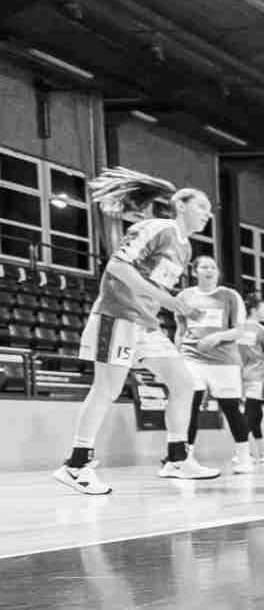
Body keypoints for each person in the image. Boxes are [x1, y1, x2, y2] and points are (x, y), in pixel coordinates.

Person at [54, 169, 214, 495]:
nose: (207, 215)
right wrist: (170, 302)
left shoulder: (185, 248)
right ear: (180, 205)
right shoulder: (156, 228)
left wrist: (171, 307)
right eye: (202, 206)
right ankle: (76, 465)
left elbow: (153, 286)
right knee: (106, 390)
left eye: (209, 210)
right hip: (117, 316)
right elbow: (117, 267)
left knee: (184, 384)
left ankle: (177, 458)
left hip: (145, 324)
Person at [174, 255, 254, 474]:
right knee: (189, 407)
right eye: (204, 267)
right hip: (192, 358)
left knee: (231, 409)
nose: (209, 270)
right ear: (194, 272)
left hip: (224, 362)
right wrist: (177, 355)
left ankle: (244, 457)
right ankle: (185, 458)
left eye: (213, 267)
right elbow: (180, 331)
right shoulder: (184, 296)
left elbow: (239, 330)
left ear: (218, 272)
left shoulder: (230, 296)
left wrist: (218, 337)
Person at [238, 295, 264, 462]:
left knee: (255, 413)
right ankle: (241, 453)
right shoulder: (263, 331)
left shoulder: (237, 328)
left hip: (241, 376)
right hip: (258, 376)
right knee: (252, 414)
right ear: (254, 310)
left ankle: (262, 450)